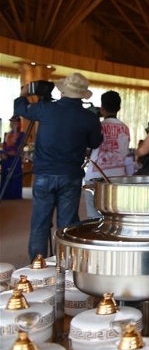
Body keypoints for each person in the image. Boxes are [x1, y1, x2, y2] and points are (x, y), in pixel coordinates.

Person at [14, 72, 103, 260]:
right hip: (70, 176)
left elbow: (20, 108)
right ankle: (64, 267)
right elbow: (95, 143)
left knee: (39, 224)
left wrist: (23, 94)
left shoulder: (45, 109)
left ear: (63, 92)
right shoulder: (88, 117)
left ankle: (37, 268)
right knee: (67, 226)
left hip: (44, 175)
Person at [83, 90, 130, 218]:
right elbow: (124, 152)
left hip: (95, 175)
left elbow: (87, 150)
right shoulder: (125, 128)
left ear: (102, 109)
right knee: (115, 216)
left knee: (94, 217)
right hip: (118, 177)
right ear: (119, 108)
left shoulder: (97, 126)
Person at [1, 115, 25, 200]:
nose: (13, 123)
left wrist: (15, 130)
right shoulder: (8, 134)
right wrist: (3, 153)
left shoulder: (21, 134)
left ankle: (15, 195)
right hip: (6, 157)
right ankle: (5, 194)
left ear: (19, 123)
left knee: (14, 176)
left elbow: (17, 143)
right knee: (5, 175)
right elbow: (5, 144)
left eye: (15, 122)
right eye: (12, 122)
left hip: (15, 157)